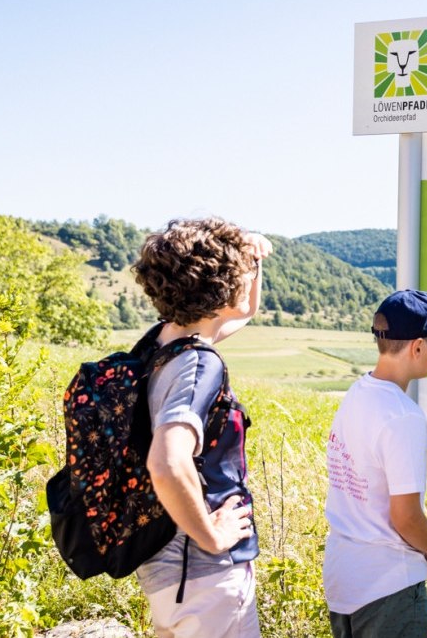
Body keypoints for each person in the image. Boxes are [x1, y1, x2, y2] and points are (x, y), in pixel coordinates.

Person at [130, 217, 273, 637]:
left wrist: (252, 257)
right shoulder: (198, 365)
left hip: (170, 571)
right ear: (222, 288)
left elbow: (245, 310)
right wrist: (212, 535)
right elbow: (168, 462)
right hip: (205, 575)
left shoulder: (163, 341)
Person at [323, 289, 427, 637]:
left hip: (344, 577)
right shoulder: (403, 416)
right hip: (388, 586)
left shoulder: (358, 393)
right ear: (417, 347)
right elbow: (405, 516)